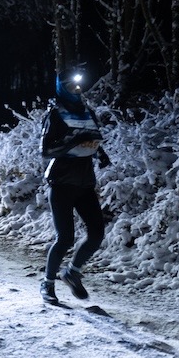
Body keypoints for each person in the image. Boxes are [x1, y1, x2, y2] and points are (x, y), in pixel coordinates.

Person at [39, 67, 112, 304]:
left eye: (79, 86)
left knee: (97, 233)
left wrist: (100, 152)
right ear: (62, 87)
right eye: (71, 86)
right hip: (61, 182)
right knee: (65, 238)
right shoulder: (55, 114)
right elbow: (46, 150)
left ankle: (72, 273)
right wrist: (74, 141)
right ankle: (48, 283)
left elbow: (92, 136)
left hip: (85, 183)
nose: (77, 89)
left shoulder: (87, 111)